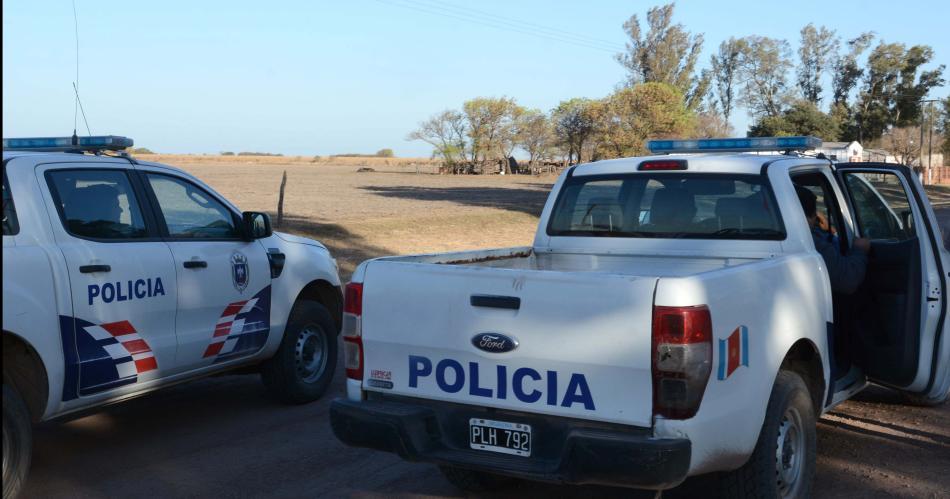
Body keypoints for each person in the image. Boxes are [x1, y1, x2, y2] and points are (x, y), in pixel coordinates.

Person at [795, 186, 870, 294]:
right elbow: (847, 280)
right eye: (815, 213)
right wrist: (860, 250)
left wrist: (831, 231)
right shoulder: (812, 243)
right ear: (812, 216)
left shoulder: (782, 233)